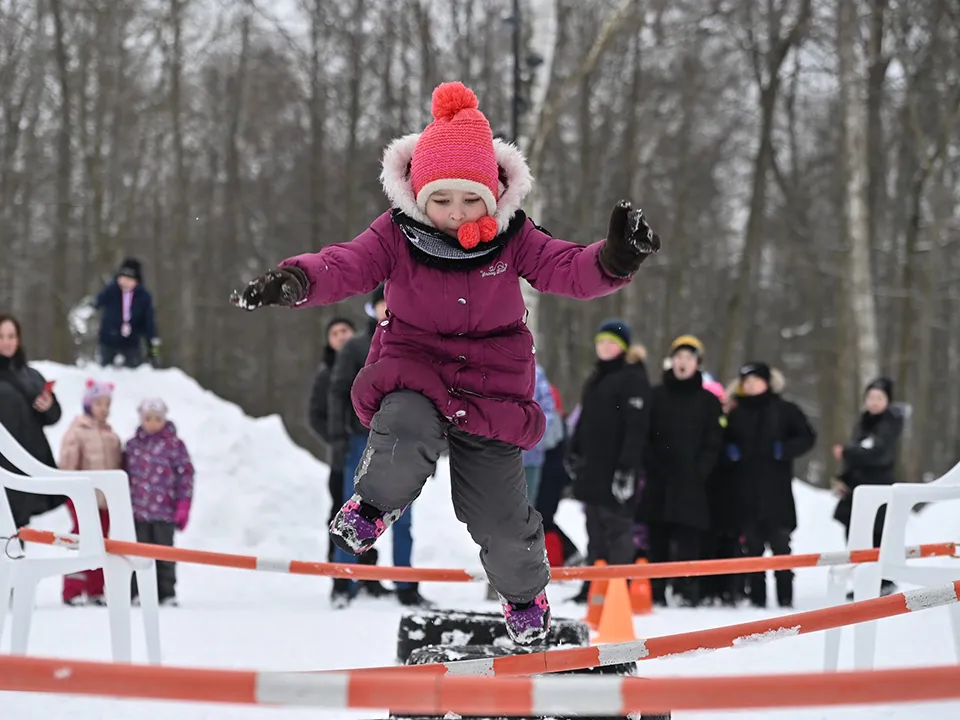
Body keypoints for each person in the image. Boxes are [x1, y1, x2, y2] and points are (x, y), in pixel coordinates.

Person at [230, 81, 660, 643]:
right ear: (417, 195)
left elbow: (567, 269)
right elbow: (345, 264)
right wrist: (296, 279)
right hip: (416, 367)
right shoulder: (396, 234)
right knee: (402, 425)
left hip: (494, 391)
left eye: (470, 199)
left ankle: (525, 597)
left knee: (501, 518)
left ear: (493, 196)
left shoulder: (515, 236)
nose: (456, 213)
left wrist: (614, 258)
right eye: (441, 199)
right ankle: (375, 504)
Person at [328, 286, 414, 607]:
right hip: (360, 440)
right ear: (373, 309)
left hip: (403, 444)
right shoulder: (355, 347)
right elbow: (337, 394)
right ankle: (342, 583)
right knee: (351, 512)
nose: (388, 309)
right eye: (382, 304)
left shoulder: (417, 343)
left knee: (404, 518)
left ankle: (407, 586)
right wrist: (337, 439)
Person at [566, 319, 652, 604]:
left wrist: (627, 468)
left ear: (624, 348)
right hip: (592, 468)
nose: (605, 347)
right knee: (594, 529)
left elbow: (636, 428)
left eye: (612, 343)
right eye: (601, 341)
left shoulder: (633, 378)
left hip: (616, 469)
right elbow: (584, 420)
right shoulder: (597, 377)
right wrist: (573, 450)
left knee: (617, 528)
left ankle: (619, 588)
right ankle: (593, 587)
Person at [723, 362, 816, 608]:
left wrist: (785, 450)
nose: (751, 385)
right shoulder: (736, 412)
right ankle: (757, 600)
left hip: (777, 492)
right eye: (746, 381)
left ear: (767, 382)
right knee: (752, 549)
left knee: (781, 546)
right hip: (745, 491)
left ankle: (786, 599)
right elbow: (722, 438)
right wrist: (728, 451)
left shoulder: (785, 410)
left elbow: (807, 436)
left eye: (756, 380)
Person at [640, 335, 724, 607]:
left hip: (692, 482)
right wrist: (652, 466)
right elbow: (644, 435)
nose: (683, 363)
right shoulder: (655, 395)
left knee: (689, 538)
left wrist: (699, 471)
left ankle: (688, 589)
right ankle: (657, 590)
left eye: (689, 358)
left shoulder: (709, 402)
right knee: (658, 538)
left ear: (698, 364)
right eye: (679, 357)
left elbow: (714, 441)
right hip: (659, 480)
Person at [832, 377, 904, 597]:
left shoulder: (889, 422)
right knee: (855, 534)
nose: (873, 402)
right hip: (856, 488)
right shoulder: (864, 421)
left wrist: (847, 452)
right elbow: (859, 454)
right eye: (870, 397)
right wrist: (843, 478)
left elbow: (877, 454)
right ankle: (864, 581)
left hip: (878, 488)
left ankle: (882, 581)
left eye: (879, 397)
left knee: (876, 535)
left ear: (888, 401)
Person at [124, 398, 195, 606]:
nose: (153, 423)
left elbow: (186, 477)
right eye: (148, 418)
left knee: (164, 554)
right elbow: (124, 474)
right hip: (138, 511)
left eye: (157, 418)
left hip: (165, 512)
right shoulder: (132, 446)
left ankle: (166, 592)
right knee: (138, 554)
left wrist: (183, 506)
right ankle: (137, 592)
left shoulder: (175, 446)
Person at [58, 379, 122, 606]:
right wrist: (70, 488)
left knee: (102, 543)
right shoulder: (77, 431)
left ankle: (96, 589)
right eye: (99, 403)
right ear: (88, 405)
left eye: (107, 404)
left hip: (103, 501)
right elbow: (67, 463)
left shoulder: (111, 435)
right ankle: (73, 589)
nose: (104, 408)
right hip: (82, 498)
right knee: (82, 540)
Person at [0, 314, 65, 530]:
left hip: (28, 461)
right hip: (3, 464)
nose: (7, 341)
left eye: (11, 336)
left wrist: (48, 405)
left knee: (19, 533)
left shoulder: (31, 375)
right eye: (1, 336)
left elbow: (54, 417)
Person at [307, 317, 356, 562]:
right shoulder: (325, 375)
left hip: (369, 451)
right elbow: (314, 416)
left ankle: (368, 573)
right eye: (335, 333)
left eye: (345, 330)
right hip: (341, 457)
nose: (341, 336)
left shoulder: (367, 365)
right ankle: (338, 571)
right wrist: (335, 438)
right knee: (340, 511)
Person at [95, 258, 161, 368]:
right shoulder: (111, 290)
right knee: (105, 371)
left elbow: (150, 326)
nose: (124, 283)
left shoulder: (144, 297)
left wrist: (154, 352)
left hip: (131, 343)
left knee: (133, 371)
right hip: (108, 340)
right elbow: (97, 302)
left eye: (129, 280)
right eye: (122, 278)